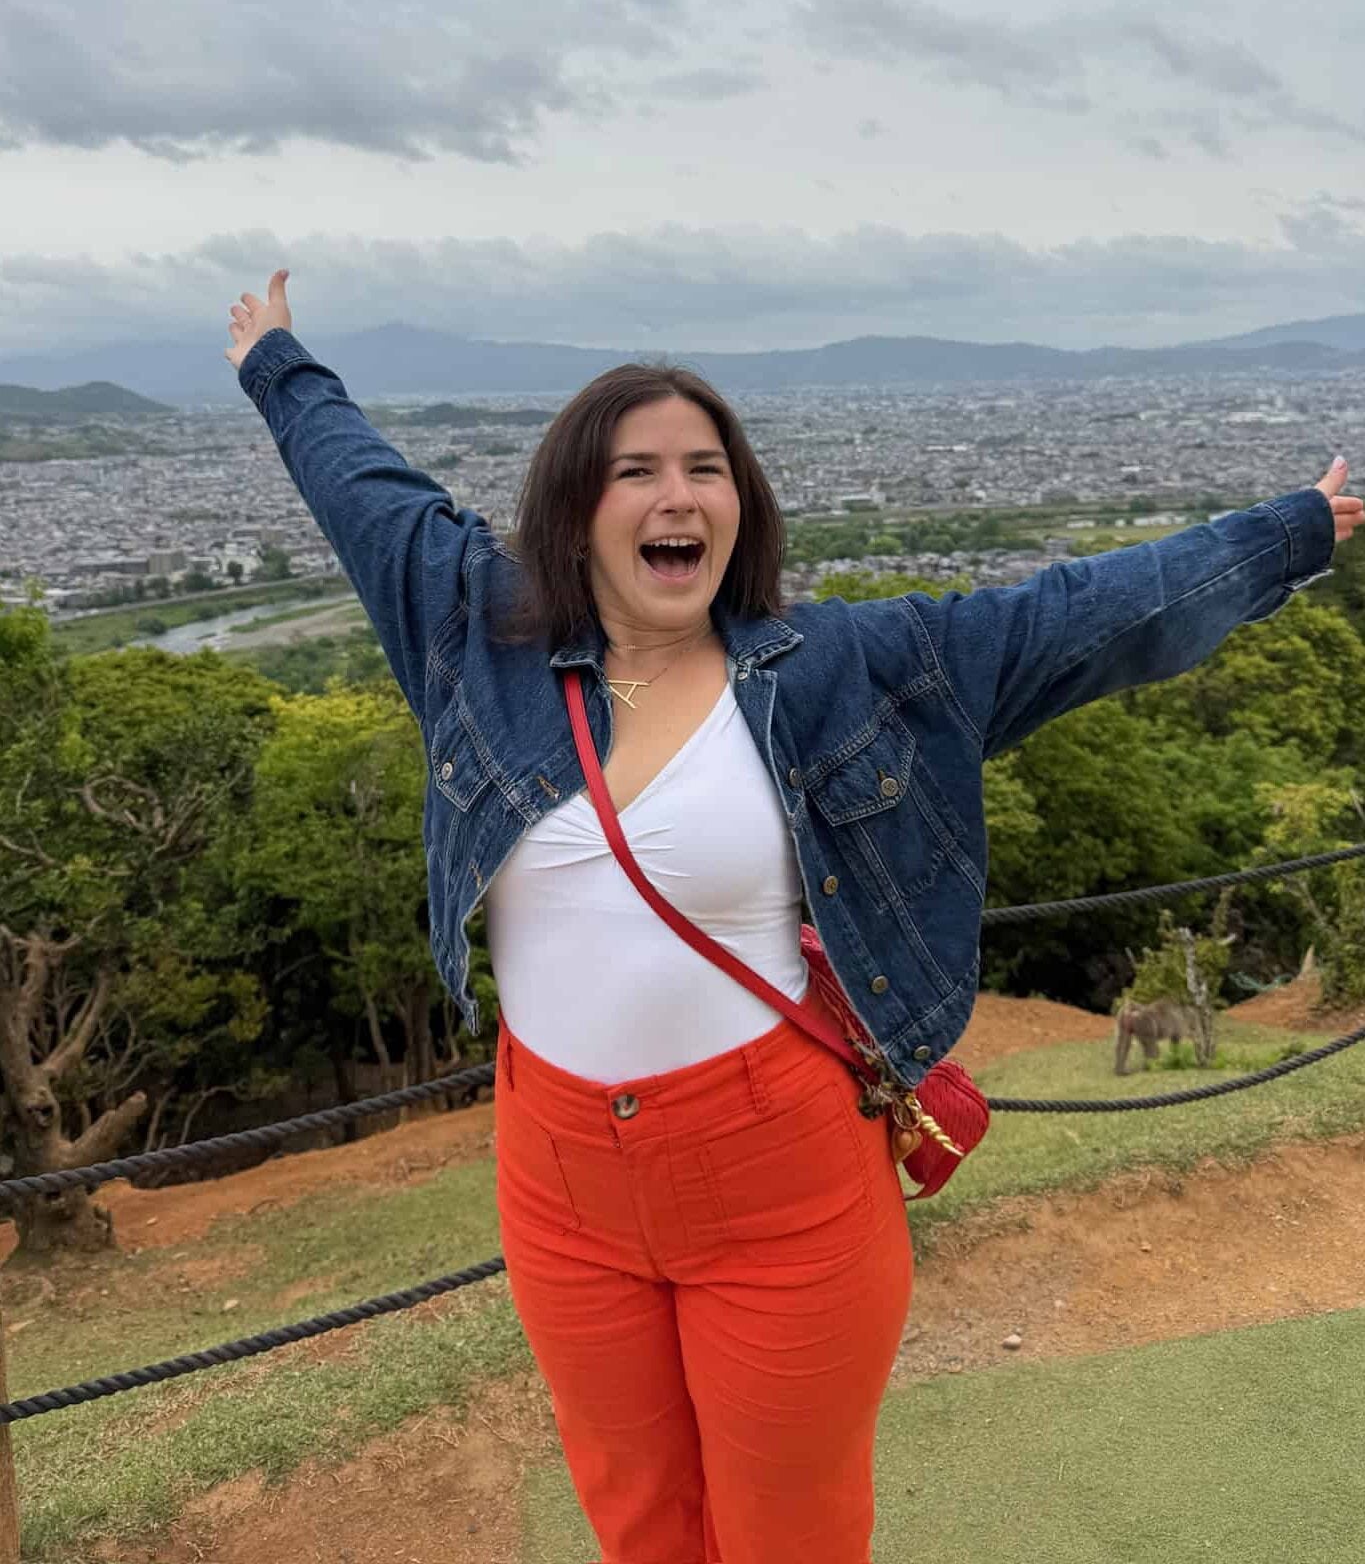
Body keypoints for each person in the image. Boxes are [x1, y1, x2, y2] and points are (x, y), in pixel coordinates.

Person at [226, 268, 1361, 1564]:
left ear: (739, 506)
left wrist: (1288, 535)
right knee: (637, 1517)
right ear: (570, 512)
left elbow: (1074, 620)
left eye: (703, 467)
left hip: (781, 1167)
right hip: (554, 1174)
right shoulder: (475, 638)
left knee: (788, 1532)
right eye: (632, 470)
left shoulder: (839, 673)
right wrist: (275, 358)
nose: (673, 494)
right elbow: (363, 488)